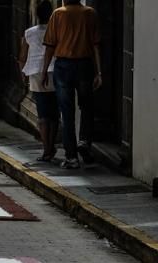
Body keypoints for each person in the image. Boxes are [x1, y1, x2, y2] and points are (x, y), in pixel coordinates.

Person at [40, 0, 101, 168]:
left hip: (63, 66)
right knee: (87, 106)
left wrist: (44, 71)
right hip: (84, 65)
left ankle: (71, 157)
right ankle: (84, 141)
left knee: (66, 112)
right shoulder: (90, 13)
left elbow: (50, 46)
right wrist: (98, 72)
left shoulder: (58, 14)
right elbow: (95, 46)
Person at [19, 0, 57, 163]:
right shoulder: (56, 31)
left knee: (42, 112)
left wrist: (23, 75)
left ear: (36, 14)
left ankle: (46, 148)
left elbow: (22, 57)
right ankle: (51, 146)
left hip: (35, 72)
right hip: (54, 71)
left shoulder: (29, 33)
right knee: (54, 112)